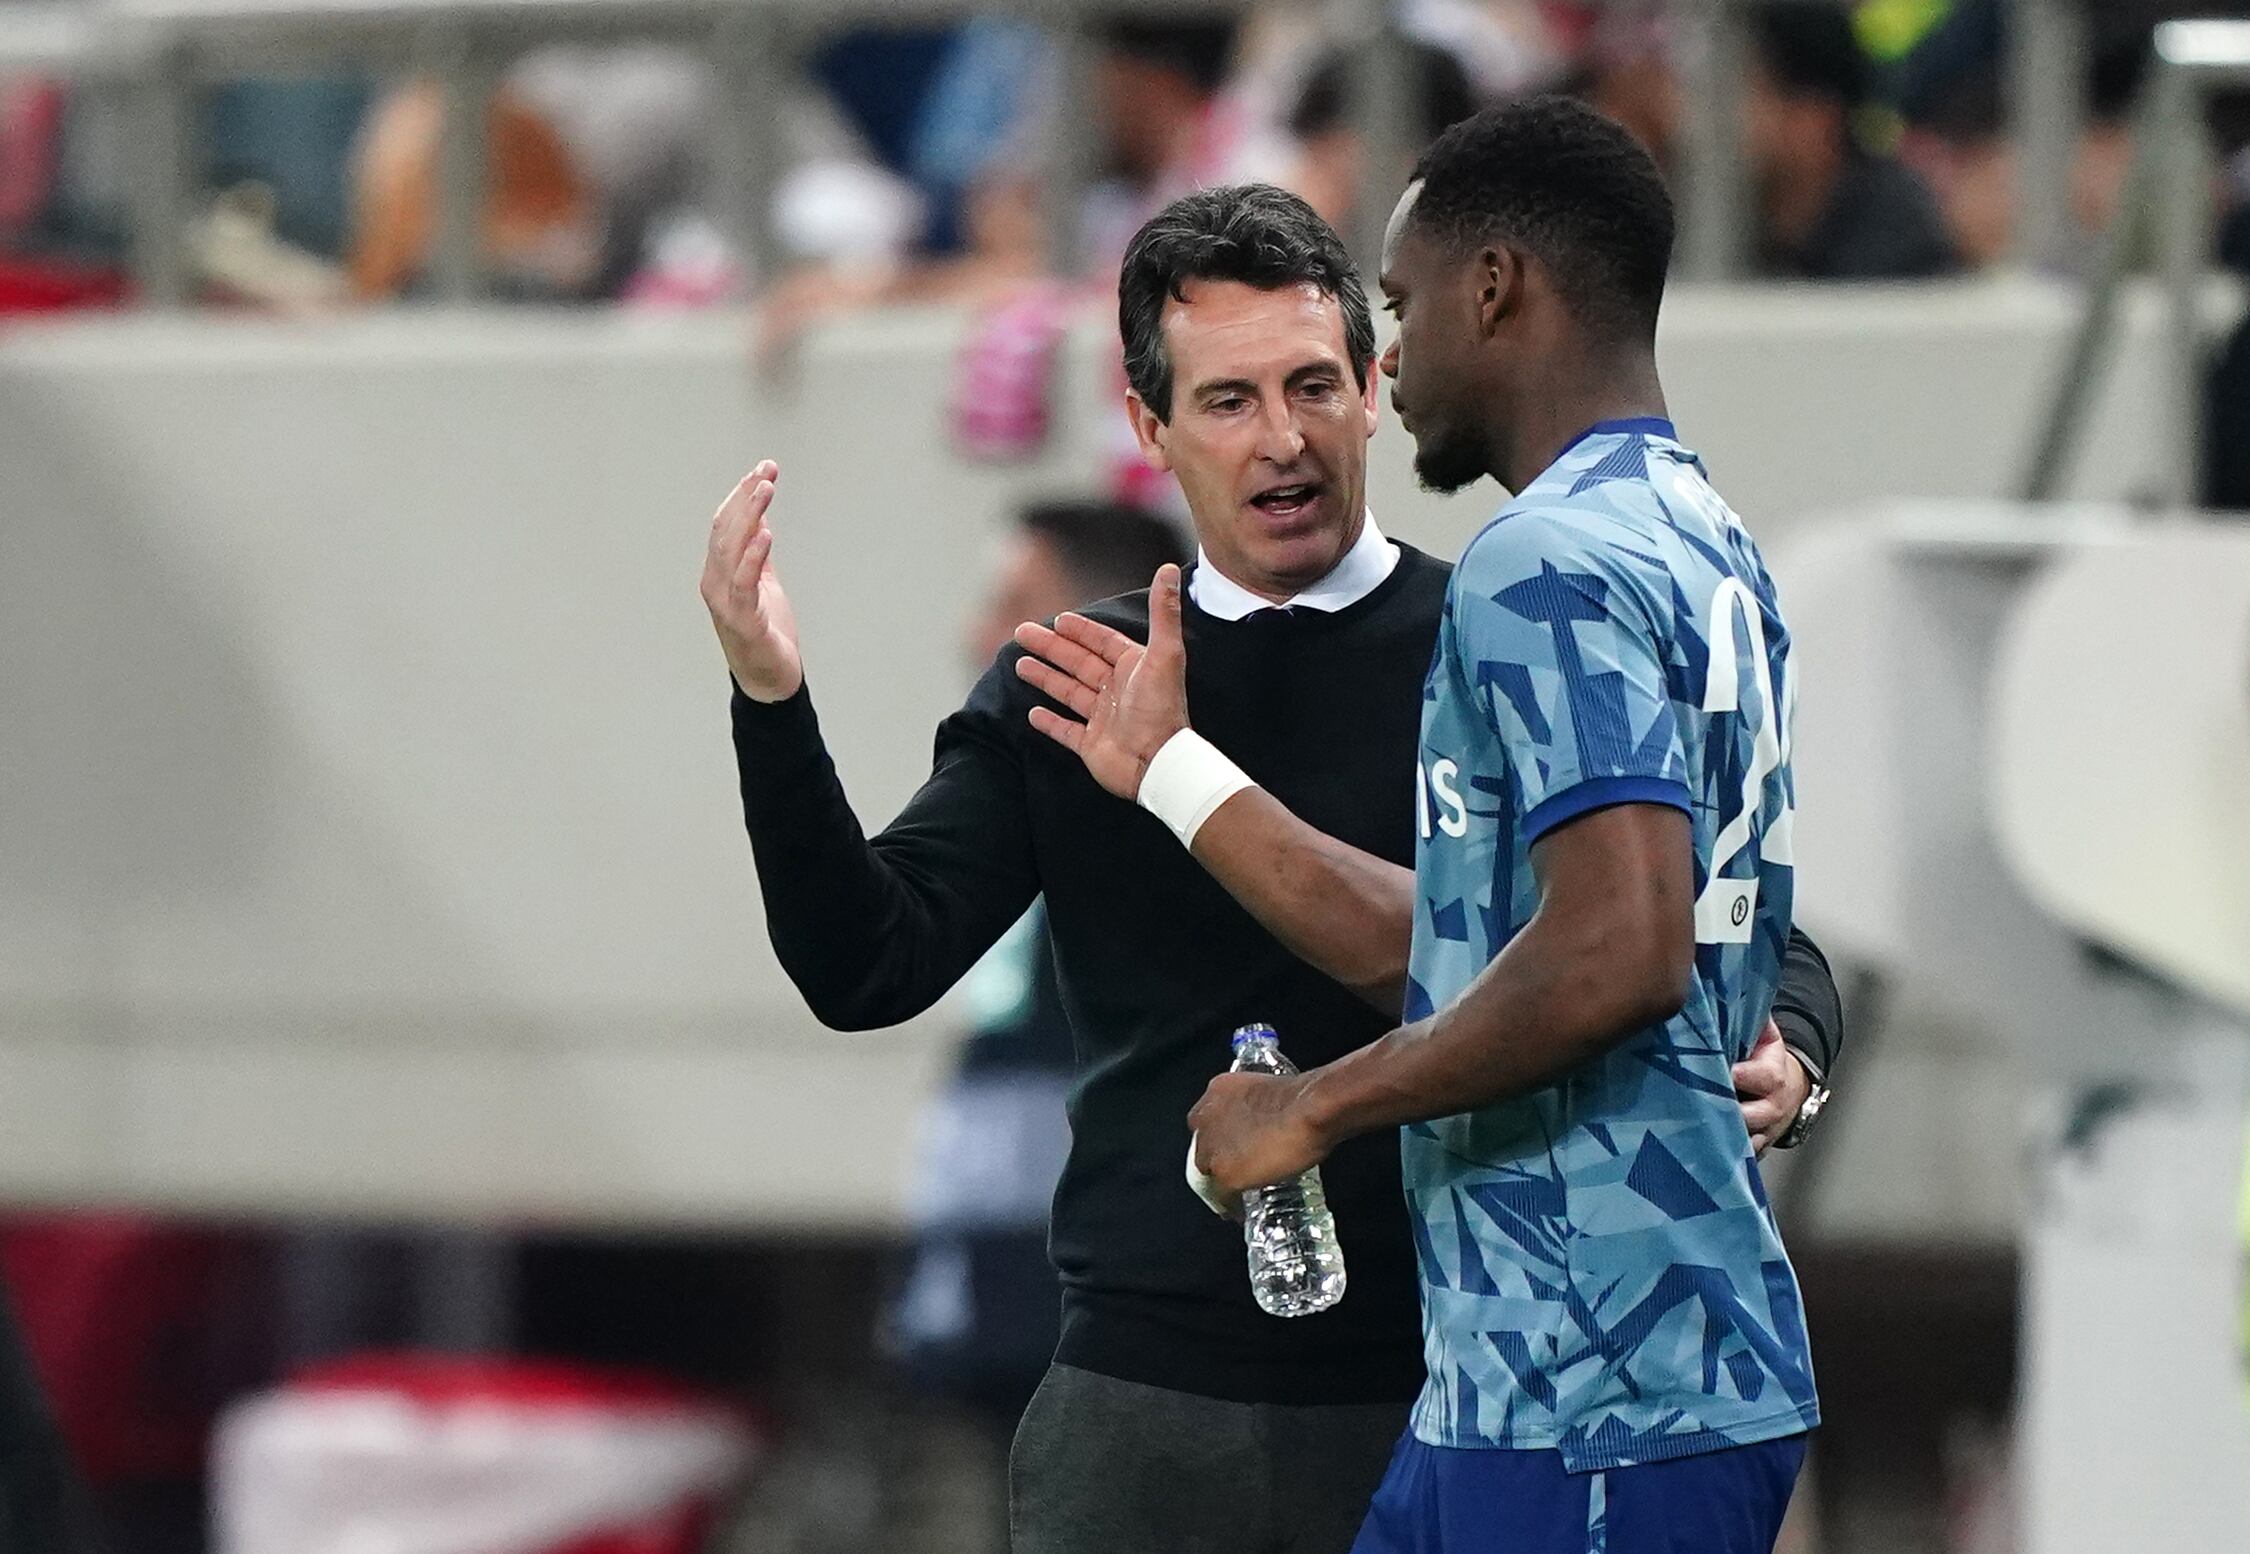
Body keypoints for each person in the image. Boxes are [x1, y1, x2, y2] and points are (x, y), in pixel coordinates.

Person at [701, 178, 1840, 1553]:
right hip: (1142, 1403)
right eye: (1228, 400)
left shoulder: (1499, 616)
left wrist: (1797, 1039)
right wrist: (770, 701)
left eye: (1312, 383)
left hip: (1446, 1387)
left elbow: (1695, 923)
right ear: (1151, 429)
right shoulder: (1077, 680)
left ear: (1374, 385)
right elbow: (863, 962)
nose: (1282, 438)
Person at [1019, 103, 1817, 1551]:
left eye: (1399, 306)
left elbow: (1618, 948)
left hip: (1599, 1378)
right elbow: (1492, 943)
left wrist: (1311, 1108)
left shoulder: (1537, 564)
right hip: (1535, 1373)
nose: (1390, 363)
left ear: (1494, 287)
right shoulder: (1698, 535)